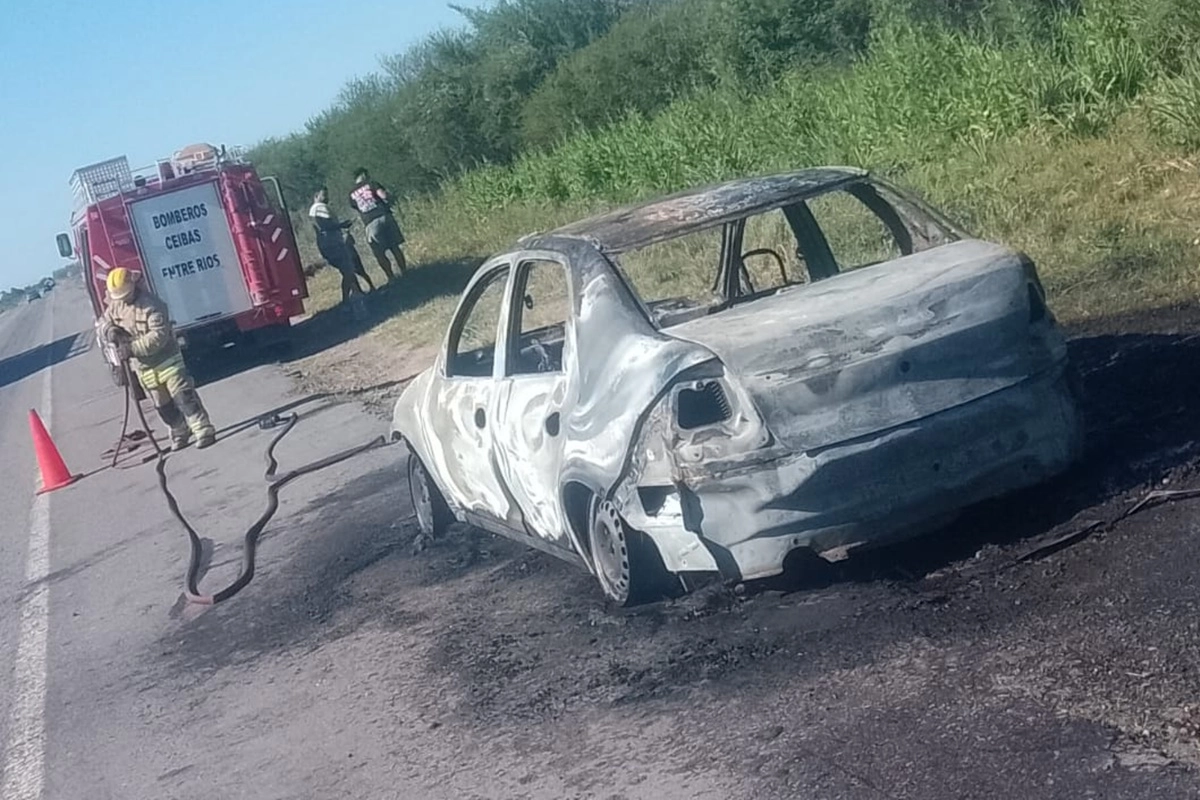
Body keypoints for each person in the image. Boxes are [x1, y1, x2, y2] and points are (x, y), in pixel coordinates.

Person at [100, 268, 216, 451]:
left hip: (168, 361)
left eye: (125, 295)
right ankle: (180, 433)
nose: (122, 300)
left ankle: (203, 430)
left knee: (183, 397)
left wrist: (131, 348)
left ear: (133, 287)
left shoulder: (152, 305)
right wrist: (110, 330)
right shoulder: (116, 305)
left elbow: (159, 336)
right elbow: (103, 322)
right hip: (145, 369)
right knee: (163, 406)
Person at [309, 187, 368, 318]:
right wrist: (341, 225)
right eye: (324, 195)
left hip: (332, 244)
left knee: (348, 270)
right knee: (348, 270)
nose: (327, 198)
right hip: (332, 244)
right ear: (316, 195)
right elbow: (323, 226)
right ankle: (347, 302)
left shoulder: (317, 208)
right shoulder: (318, 208)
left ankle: (356, 295)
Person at [348, 167, 407, 281]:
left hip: (370, 223)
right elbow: (383, 196)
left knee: (379, 253)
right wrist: (392, 199)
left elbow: (356, 206)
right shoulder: (371, 183)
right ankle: (404, 272)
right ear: (363, 174)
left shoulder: (351, 194)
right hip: (384, 216)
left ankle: (391, 277)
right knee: (394, 247)